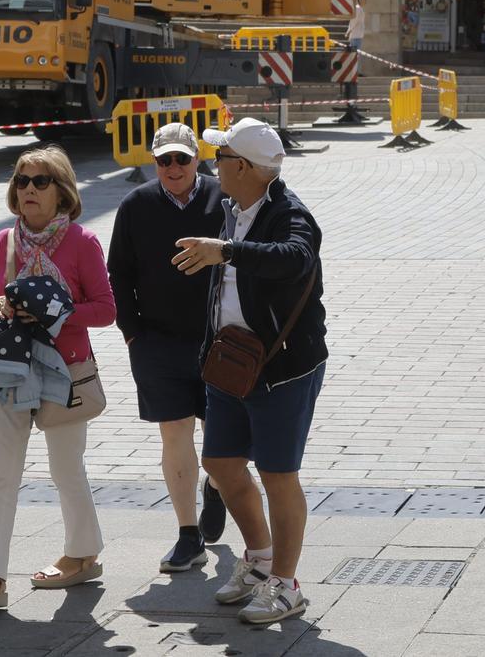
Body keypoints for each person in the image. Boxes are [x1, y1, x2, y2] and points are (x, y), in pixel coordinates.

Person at [171, 117, 325, 627]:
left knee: (279, 476)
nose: (214, 167)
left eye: (220, 159)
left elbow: (295, 257)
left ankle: (286, 583)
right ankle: (258, 560)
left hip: (281, 369)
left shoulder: (290, 212)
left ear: (244, 167)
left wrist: (227, 252)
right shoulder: (233, 207)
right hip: (229, 364)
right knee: (221, 463)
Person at [0, 144, 115, 606]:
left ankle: (82, 555)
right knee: (0, 474)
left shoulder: (82, 243)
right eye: (22, 181)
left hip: (64, 370)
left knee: (66, 467)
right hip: (9, 369)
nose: (28, 189)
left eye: (40, 181)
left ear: (61, 191)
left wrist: (55, 314)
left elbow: (106, 310)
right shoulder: (4, 241)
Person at [106, 124, 229, 575]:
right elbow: (117, 272)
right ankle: (187, 534)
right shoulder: (136, 205)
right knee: (175, 433)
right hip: (157, 342)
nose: (173, 168)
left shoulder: (223, 199)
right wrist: (133, 333)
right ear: (153, 162)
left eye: (182, 159)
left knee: (223, 438)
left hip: (221, 341)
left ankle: (216, 483)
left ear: (198, 159)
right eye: (164, 161)